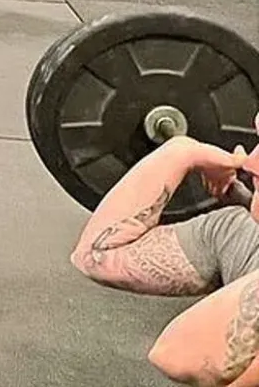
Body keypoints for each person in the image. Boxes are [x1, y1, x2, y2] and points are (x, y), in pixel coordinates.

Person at [65, 120, 259, 385]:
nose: (249, 162)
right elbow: (96, 255)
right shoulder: (240, 230)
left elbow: (179, 355)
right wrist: (182, 153)